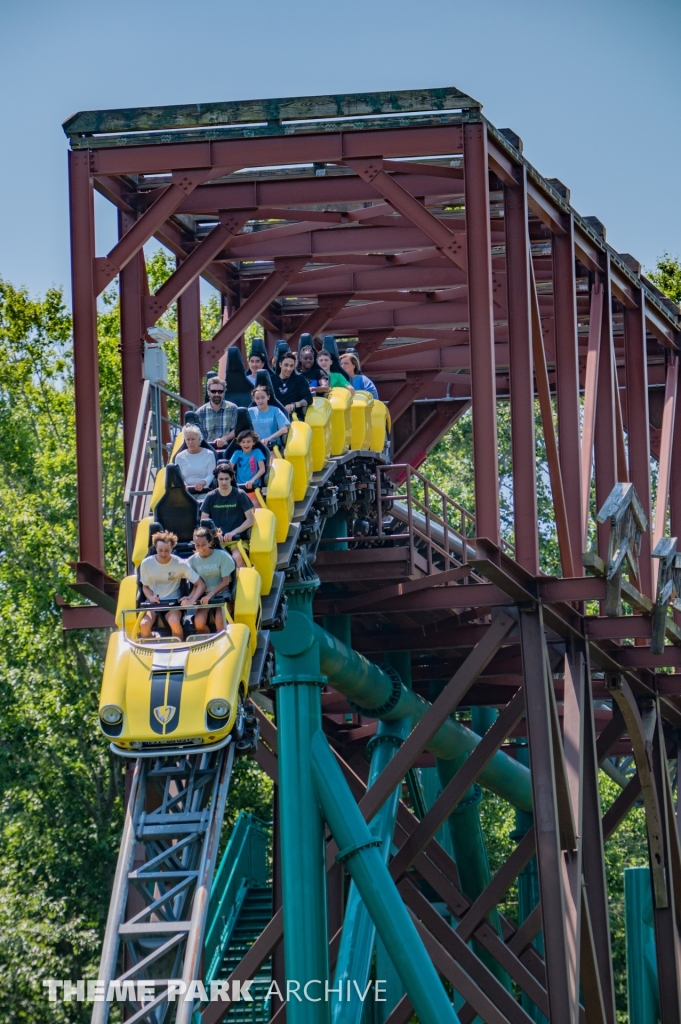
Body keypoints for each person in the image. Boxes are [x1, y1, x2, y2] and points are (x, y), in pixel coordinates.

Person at [139, 531, 205, 640]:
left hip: (172, 604)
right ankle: (151, 646)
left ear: (172, 549)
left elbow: (200, 584)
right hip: (154, 604)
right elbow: (145, 586)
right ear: (155, 548)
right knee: (144, 624)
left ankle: (178, 647)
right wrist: (151, 597)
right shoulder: (146, 564)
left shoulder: (180, 564)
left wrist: (192, 599)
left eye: (167, 551)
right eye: (160, 550)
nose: (163, 554)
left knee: (174, 622)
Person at [201, 463, 254, 567]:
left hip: (237, 540)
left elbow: (250, 519)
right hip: (216, 541)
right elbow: (204, 521)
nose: (224, 482)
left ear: (231, 478)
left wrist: (233, 533)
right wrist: (216, 533)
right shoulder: (210, 497)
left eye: (226, 479)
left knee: (237, 559)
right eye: (221, 479)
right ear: (216, 479)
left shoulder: (240, 494)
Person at [189, 525, 236, 633]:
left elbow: (226, 581)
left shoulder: (222, 556)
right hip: (204, 596)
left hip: (222, 595)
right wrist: (189, 597)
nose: (200, 548)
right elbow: (196, 584)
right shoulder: (192, 561)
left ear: (210, 543)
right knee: (199, 623)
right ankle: (209, 642)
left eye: (203, 544)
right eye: (197, 545)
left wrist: (211, 594)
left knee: (220, 622)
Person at [196, 377, 238, 451]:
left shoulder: (233, 409)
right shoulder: (200, 412)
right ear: (208, 392)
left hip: (228, 450)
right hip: (207, 450)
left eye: (220, 391)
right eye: (213, 391)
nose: (217, 394)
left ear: (224, 392)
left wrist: (224, 438)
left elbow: (237, 430)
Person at [174, 424, 216, 493]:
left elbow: (211, 474)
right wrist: (183, 484)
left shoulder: (209, 454)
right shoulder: (179, 457)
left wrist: (203, 483)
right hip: (186, 492)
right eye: (188, 439)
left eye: (193, 439)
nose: (190, 442)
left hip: (204, 490)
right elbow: (178, 477)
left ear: (199, 439)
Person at [271, 351, 313, 415]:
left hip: (293, 416)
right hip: (274, 415)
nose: (289, 369)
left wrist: (294, 404)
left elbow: (308, 399)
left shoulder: (299, 379)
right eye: (286, 365)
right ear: (280, 364)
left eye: (291, 366)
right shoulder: (271, 380)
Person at [231, 429, 267, 498]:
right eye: (243, 442)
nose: (246, 444)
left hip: (254, 487)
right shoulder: (237, 453)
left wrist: (252, 481)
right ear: (239, 443)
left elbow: (262, 469)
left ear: (253, 442)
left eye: (248, 441)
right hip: (239, 488)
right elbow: (229, 468)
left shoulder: (257, 452)